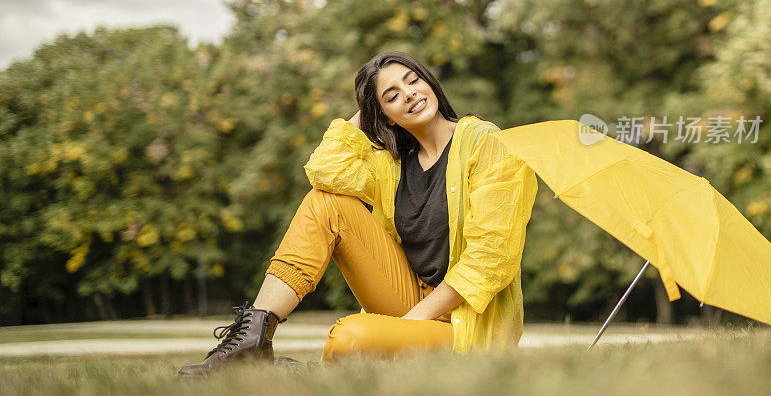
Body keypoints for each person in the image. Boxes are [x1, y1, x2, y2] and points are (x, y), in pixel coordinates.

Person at [178, 51, 537, 376]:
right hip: (409, 297)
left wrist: (408, 328)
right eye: (392, 96)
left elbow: (490, 259)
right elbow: (324, 171)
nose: (409, 94)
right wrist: (368, 109)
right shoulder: (393, 166)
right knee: (326, 203)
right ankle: (253, 338)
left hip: (462, 327)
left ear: (431, 83)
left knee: (350, 336)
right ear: (386, 116)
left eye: (413, 81)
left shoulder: (486, 142)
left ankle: (311, 376)